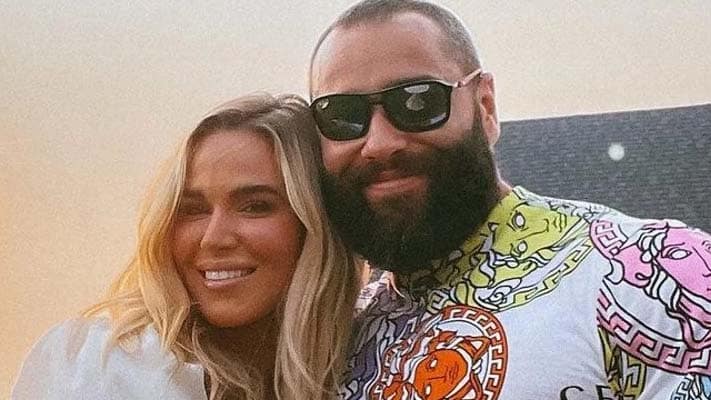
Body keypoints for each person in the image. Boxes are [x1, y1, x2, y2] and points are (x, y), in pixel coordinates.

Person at [307, 1, 711, 398]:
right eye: (341, 114)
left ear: (485, 106)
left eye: (419, 101)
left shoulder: (660, 276)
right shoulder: (333, 341)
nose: (379, 143)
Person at [12, 93, 360, 400]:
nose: (214, 238)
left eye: (254, 206)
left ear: (316, 223)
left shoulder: (368, 366)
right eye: (192, 209)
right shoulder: (96, 369)